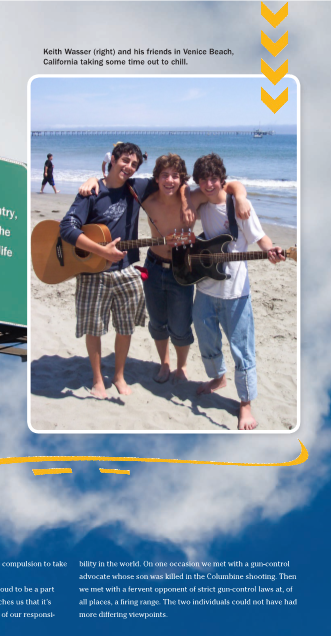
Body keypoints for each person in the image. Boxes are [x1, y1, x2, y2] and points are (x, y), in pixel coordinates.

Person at [78, 155, 251, 386]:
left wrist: (239, 198)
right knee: (158, 324)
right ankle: (164, 363)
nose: (170, 180)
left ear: (182, 179)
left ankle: (182, 366)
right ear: (157, 178)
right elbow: (115, 182)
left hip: (184, 268)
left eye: (175, 176)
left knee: (180, 325)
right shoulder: (145, 199)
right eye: (165, 175)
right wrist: (93, 179)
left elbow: (229, 185)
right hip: (154, 266)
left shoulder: (194, 197)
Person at [61, 142, 166, 398]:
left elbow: (171, 180)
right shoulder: (92, 192)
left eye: (134, 164)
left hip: (127, 270)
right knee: (93, 327)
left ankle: (118, 375)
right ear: (113, 159)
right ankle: (98, 379)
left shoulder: (137, 188)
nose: (129, 167)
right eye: (125, 161)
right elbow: (67, 228)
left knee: (125, 326)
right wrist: (101, 251)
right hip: (92, 273)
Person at [189, 153, 285, 430]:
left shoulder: (238, 204)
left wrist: (271, 250)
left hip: (235, 291)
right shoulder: (201, 202)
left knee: (242, 348)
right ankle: (218, 378)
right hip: (205, 287)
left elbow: (259, 236)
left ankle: (245, 404)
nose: (209, 184)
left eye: (214, 179)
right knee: (206, 340)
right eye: (204, 179)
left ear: (222, 179)